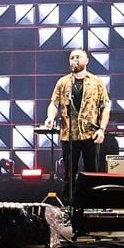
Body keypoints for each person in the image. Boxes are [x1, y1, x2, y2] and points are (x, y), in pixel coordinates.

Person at [44, 49, 110, 192]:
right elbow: (54, 103)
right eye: (71, 57)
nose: (74, 60)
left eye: (78, 57)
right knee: (69, 171)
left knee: (92, 171)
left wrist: (102, 129)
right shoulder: (63, 82)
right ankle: (68, 204)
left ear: (86, 61)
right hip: (69, 134)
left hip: (90, 133)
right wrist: (50, 117)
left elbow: (105, 107)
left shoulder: (97, 82)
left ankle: (91, 204)